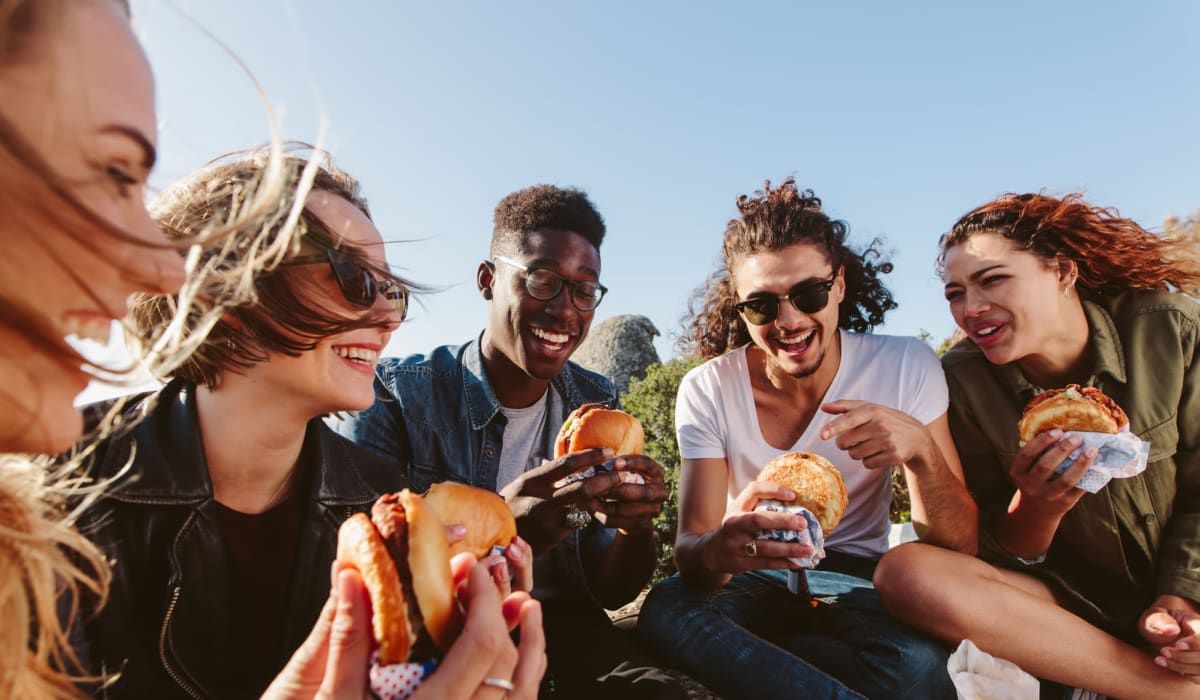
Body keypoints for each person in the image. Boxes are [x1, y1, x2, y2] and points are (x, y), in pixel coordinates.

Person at [0, 2, 543, 698]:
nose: (385, 316)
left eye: (391, 291)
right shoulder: (64, 493)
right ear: (220, 293)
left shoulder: (386, 512)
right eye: (352, 279)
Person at [335, 184, 690, 699]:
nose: (565, 310)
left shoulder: (597, 405)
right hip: (444, 646)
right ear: (488, 280)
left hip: (564, 632)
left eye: (584, 290)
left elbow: (611, 592)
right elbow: (369, 584)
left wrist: (635, 528)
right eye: (542, 280)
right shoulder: (399, 396)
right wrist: (506, 525)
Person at [637, 178, 977, 699]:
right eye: (762, 306)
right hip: (754, 573)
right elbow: (691, 552)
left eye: (808, 294)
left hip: (860, 578)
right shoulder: (708, 388)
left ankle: (784, 667)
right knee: (668, 608)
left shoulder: (905, 365)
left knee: (916, 668)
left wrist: (921, 454)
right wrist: (724, 548)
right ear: (741, 310)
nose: (789, 321)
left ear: (839, 284)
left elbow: (958, 546)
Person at [873, 192, 1200, 699]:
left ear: (1063, 272)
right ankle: (1169, 691)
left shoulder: (1170, 329)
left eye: (992, 279)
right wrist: (1037, 509)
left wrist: (1182, 598)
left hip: (1187, 582)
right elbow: (986, 553)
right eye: (954, 293)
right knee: (906, 573)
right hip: (1074, 606)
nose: (971, 309)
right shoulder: (962, 383)